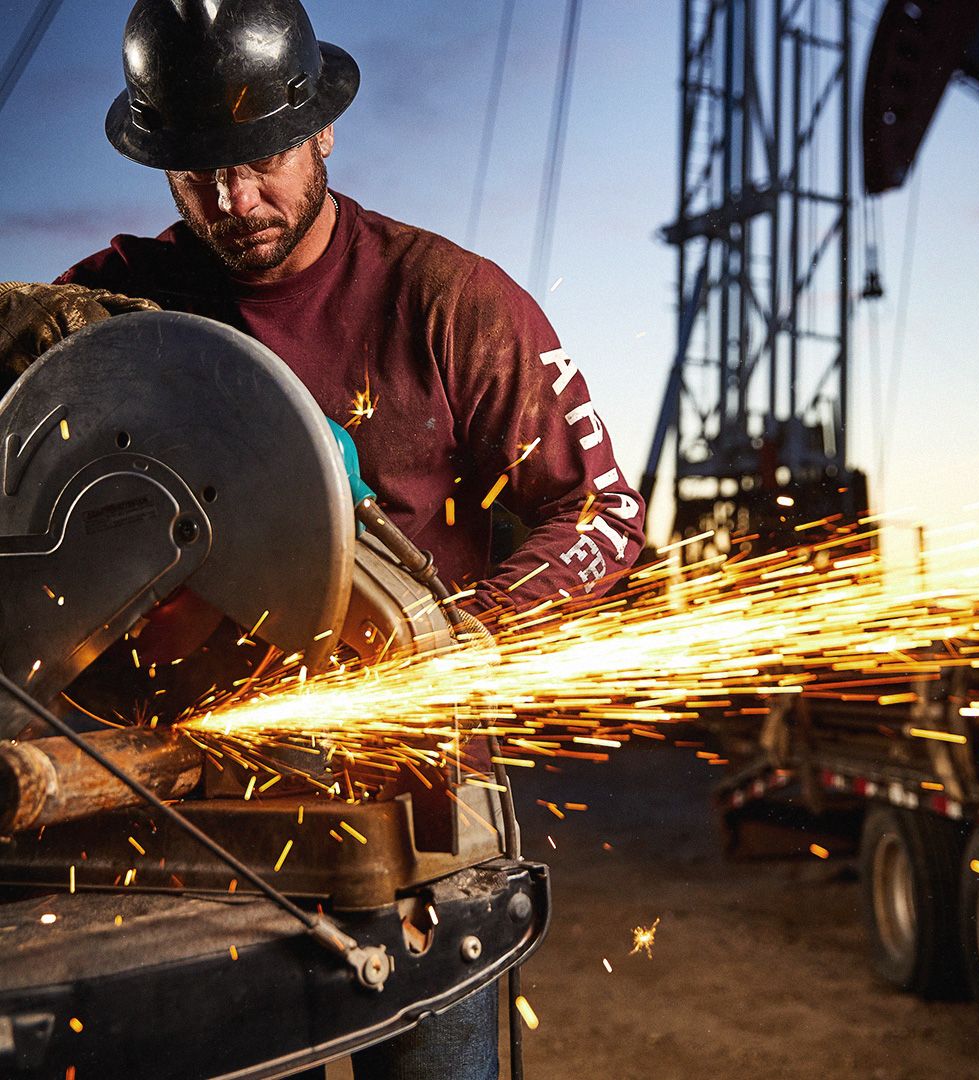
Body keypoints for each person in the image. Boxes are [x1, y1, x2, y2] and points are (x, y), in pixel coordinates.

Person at [57, 1, 645, 1076]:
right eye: (198, 173)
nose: (234, 200)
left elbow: (600, 512)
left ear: (321, 125)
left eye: (260, 159)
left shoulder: (450, 301)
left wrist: (461, 637)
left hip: (415, 804)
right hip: (183, 815)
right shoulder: (111, 309)